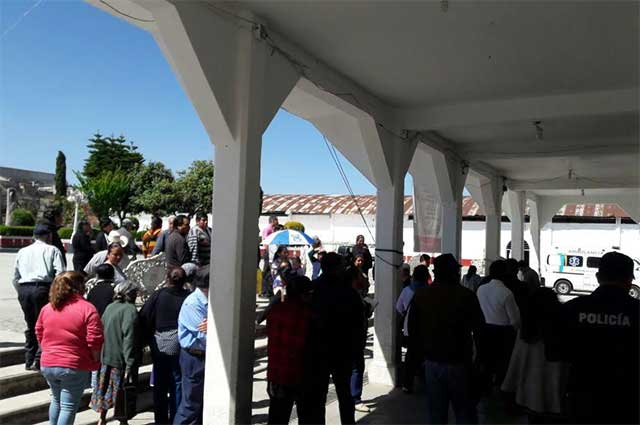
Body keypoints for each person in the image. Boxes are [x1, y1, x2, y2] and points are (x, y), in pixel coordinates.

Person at [546, 252, 639, 424]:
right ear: (629, 280)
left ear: (598, 277)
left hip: (582, 395)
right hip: (627, 398)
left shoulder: (571, 309)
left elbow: (553, 353)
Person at [408, 253, 485, 424]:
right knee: (465, 413)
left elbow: (414, 331)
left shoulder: (421, 295)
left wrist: (419, 357)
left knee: (436, 415)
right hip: (459, 362)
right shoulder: (466, 296)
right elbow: (480, 330)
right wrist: (480, 361)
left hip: (432, 362)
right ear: (453, 273)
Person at [36, 271, 104, 425]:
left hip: (48, 362)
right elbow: (94, 340)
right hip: (72, 364)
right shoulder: (87, 308)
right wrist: (95, 360)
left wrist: (46, 350)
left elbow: (39, 331)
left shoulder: (48, 308)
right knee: (68, 406)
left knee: (56, 400)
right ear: (80, 286)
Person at [306, 252, 364, 424]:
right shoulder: (349, 293)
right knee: (344, 393)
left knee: (319, 395)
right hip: (341, 350)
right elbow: (358, 323)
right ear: (337, 269)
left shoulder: (313, 289)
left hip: (318, 350)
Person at [501, 287, 568, 422]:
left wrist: (509, 386)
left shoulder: (526, 328)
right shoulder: (562, 326)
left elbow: (517, 360)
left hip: (530, 392)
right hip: (556, 390)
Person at [139, 268, 190, 425]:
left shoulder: (159, 295)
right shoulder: (188, 297)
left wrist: (146, 340)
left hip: (159, 343)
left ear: (168, 278)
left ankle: (160, 419)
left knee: (160, 384)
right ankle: (176, 417)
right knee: (177, 382)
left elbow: (144, 316)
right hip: (180, 344)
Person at [12, 224, 66, 370]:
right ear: (48, 235)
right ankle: (38, 358)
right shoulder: (52, 250)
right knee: (44, 324)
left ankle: (29, 359)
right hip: (42, 288)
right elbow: (60, 274)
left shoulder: (22, 251)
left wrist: (21, 291)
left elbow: (15, 277)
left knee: (31, 324)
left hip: (24, 289)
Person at [265, 275, 314, 424]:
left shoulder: (276, 310)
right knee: (307, 416)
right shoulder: (307, 314)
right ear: (303, 295)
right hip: (299, 373)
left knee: (277, 416)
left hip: (277, 372)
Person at [91, 281, 141, 425]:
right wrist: (130, 363)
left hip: (106, 356)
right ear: (130, 294)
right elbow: (129, 339)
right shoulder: (130, 311)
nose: (136, 295)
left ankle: (102, 418)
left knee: (104, 389)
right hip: (120, 360)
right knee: (120, 393)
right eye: (135, 292)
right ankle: (123, 421)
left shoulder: (110, 307)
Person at [476, 260, 521, 389]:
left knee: (486, 362)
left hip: (484, 331)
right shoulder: (506, 293)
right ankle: (500, 387)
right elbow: (515, 320)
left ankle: (485, 387)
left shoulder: (481, 289)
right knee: (503, 363)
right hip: (503, 334)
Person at [174, 268, 209, 425]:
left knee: (201, 403)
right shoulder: (193, 304)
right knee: (190, 404)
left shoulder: (209, 302)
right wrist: (215, 327)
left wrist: (214, 325)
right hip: (194, 356)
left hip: (204, 355)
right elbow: (205, 336)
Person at [395, 265, 430, 393]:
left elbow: (399, 308)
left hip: (410, 330)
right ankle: (425, 382)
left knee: (410, 358)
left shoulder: (407, 290)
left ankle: (407, 384)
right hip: (427, 330)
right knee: (426, 357)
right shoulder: (430, 291)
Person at [345, 265, 372, 413]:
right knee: (356, 368)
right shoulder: (353, 295)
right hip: (353, 339)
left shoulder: (353, 293)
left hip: (352, 338)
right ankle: (355, 399)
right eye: (360, 276)